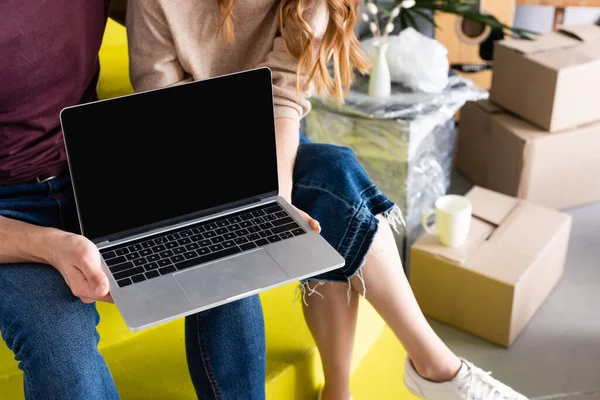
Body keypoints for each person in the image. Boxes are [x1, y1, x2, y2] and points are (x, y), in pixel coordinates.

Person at [125, 1, 533, 400]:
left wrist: (275, 201)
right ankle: (437, 371)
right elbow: (161, 107)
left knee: (333, 179)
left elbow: (282, 99)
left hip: (264, 135)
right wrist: (248, 200)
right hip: (184, 153)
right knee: (242, 257)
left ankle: (359, 386)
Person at [0, 2, 266, 399]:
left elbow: (187, 13)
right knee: (62, 353)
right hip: (10, 212)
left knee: (230, 270)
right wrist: (48, 245)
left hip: (100, 165)